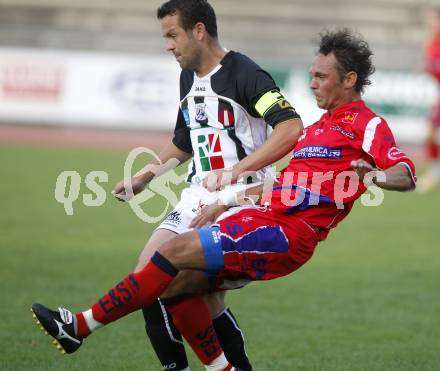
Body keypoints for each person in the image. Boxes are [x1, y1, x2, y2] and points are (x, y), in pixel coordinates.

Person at [31, 29, 416, 370]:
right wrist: (227, 201)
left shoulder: (367, 124)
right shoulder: (316, 131)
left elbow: (406, 174)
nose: (312, 83)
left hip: (287, 235)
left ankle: (79, 326)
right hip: (262, 218)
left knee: (172, 254)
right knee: (177, 284)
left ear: (349, 80)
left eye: (321, 76)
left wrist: (378, 175)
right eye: (312, 75)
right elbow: (281, 187)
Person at [111, 0, 302, 369]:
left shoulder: (245, 73)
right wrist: (148, 174)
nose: (168, 44)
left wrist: (237, 170)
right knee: (151, 277)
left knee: (169, 283)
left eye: (173, 35)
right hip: (198, 196)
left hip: (240, 201)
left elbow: (290, 126)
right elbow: (186, 138)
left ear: (199, 30)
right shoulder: (188, 76)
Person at [418, 7, 440, 193]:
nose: (430, 24)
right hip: (438, 95)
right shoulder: (431, 44)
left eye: (434, 20)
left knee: (430, 134)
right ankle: (435, 172)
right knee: (430, 134)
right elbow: (431, 66)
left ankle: (434, 173)